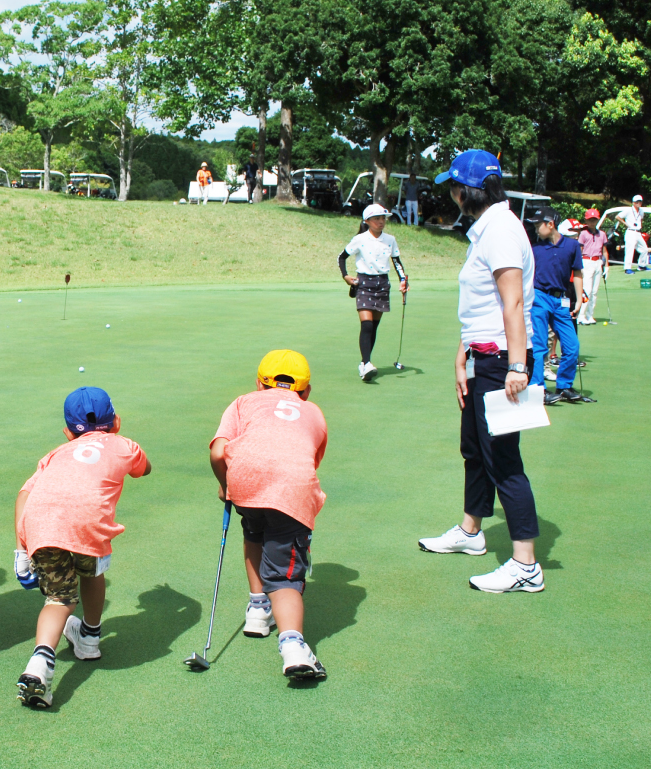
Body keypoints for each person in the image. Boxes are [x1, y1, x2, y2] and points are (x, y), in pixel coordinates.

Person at [419, 149, 545, 594]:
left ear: (468, 190)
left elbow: (512, 302)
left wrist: (515, 366)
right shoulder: (485, 230)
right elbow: (482, 306)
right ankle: (472, 532)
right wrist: (462, 355)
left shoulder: (503, 232)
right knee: (474, 450)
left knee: (504, 462)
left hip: (500, 363)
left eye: (453, 187)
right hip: (481, 356)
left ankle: (526, 565)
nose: (450, 194)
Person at [12, 387, 151, 708]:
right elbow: (144, 469)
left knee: (58, 599)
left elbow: (24, 496)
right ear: (116, 421)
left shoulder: (54, 454)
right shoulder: (126, 445)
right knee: (92, 571)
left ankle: (39, 664)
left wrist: (21, 549)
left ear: (66, 431)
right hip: (90, 527)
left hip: (40, 526)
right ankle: (89, 638)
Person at [209, 350, 328, 679]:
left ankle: (258, 610)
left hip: (246, 484)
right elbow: (310, 458)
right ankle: (293, 647)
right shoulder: (313, 411)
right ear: (305, 391)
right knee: (285, 576)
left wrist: (225, 486)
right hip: (291, 491)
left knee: (254, 533)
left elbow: (219, 451)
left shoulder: (244, 401)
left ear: (259, 384)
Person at [338, 203, 409, 381]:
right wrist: (346, 276)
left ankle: (364, 363)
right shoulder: (360, 239)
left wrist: (403, 280)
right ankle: (367, 363)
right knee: (367, 325)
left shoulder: (390, 239)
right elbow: (342, 257)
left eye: (383, 218)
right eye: (377, 218)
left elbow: (397, 261)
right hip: (364, 282)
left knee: (374, 327)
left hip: (382, 283)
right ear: (367, 221)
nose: (381, 221)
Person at [529, 209, 582, 405]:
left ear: (550, 224)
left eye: (538, 225)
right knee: (540, 345)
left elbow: (577, 273)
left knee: (572, 346)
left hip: (561, 300)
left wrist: (578, 301)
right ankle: (538, 389)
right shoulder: (535, 249)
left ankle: (564, 386)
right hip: (539, 297)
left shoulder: (572, 246)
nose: (536, 229)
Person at [576, 209, 609, 325]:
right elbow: (579, 251)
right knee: (587, 291)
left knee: (594, 292)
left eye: (594, 220)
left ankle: (590, 315)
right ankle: (581, 315)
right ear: (586, 220)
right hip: (586, 261)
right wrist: (579, 265)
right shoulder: (583, 234)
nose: (592, 222)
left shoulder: (602, 234)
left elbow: (604, 251)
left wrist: (607, 266)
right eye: (590, 220)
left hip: (598, 262)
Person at [618, 194, 649, 273]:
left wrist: (640, 227)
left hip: (638, 232)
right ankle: (627, 268)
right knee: (630, 250)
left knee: (644, 249)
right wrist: (626, 224)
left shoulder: (641, 211)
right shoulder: (629, 210)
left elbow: (641, 219)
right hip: (630, 231)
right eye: (637, 202)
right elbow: (618, 216)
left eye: (640, 202)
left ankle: (642, 265)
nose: (639, 203)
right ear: (633, 203)